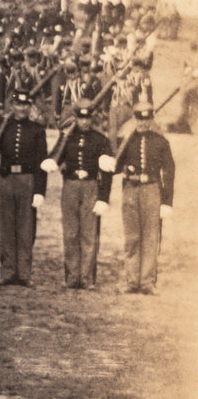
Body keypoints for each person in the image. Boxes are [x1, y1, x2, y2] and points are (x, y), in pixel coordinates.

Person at [0, 92, 49, 287]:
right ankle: (8, 271)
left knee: (26, 228)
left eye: (25, 105)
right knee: (7, 226)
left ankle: (24, 273)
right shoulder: (4, 126)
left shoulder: (37, 130)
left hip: (27, 180)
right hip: (5, 179)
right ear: (12, 105)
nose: (21, 109)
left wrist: (39, 191)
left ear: (30, 107)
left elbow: (41, 163)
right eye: (18, 105)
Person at [51, 106, 116, 290]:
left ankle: (87, 278)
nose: (84, 122)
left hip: (90, 186)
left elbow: (107, 171)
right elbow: (56, 156)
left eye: (88, 118)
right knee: (70, 233)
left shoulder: (100, 140)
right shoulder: (67, 138)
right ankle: (71, 277)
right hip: (70, 185)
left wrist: (103, 198)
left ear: (92, 119)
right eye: (81, 118)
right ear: (76, 118)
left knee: (89, 234)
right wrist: (63, 137)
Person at [115, 104, 175, 295]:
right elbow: (116, 165)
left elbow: (169, 172)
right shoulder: (127, 139)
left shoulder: (160, 141)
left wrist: (167, 201)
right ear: (135, 119)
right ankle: (132, 280)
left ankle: (147, 281)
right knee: (132, 236)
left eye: (146, 119)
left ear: (151, 120)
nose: (142, 123)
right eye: (139, 119)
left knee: (150, 237)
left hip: (151, 189)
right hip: (131, 189)